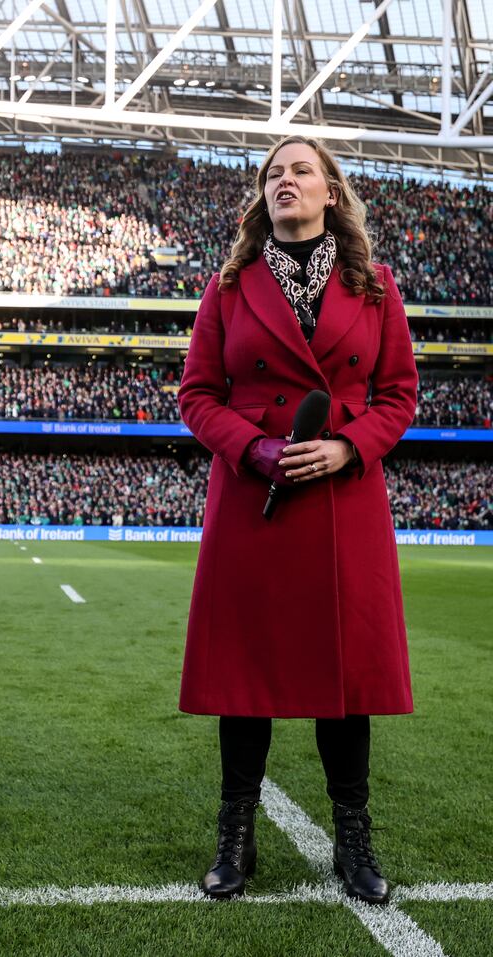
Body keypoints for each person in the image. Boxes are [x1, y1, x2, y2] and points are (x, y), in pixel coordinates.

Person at [177, 136, 418, 906]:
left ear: (332, 194)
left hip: (345, 503)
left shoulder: (377, 286)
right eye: (273, 172)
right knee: (244, 678)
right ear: (263, 198)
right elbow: (197, 395)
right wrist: (254, 447)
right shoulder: (228, 285)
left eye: (300, 170)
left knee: (344, 681)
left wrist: (349, 447)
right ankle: (236, 835)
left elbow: (400, 396)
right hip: (257, 499)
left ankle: (354, 836)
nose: (286, 180)